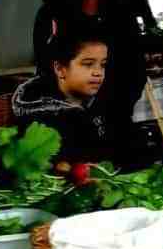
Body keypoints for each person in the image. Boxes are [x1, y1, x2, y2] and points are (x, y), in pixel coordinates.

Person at [32, 0, 146, 144]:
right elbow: (47, 71)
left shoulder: (122, 14)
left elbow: (135, 70)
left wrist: (111, 108)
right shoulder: (53, 15)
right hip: (65, 125)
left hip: (115, 124)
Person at [12, 24, 113, 163]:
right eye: (88, 64)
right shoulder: (42, 118)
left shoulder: (98, 103)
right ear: (60, 69)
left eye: (103, 65)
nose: (98, 72)